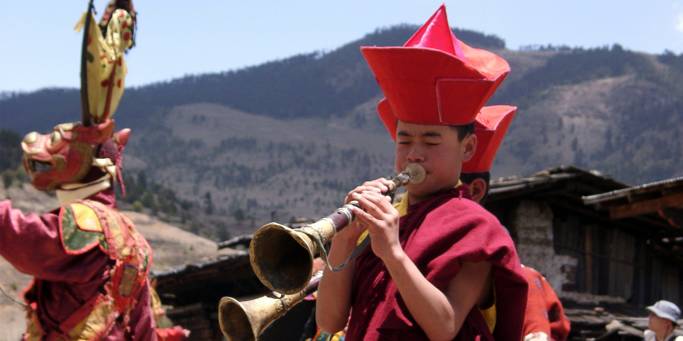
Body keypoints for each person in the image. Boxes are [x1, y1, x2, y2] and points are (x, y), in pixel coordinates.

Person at [315, 5, 528, 340]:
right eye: (404, 140)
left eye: (431, 141)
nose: (414, 153)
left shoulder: (476, 228)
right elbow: (329, 321)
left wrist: (393, 254)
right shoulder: (383, 222)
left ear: (467, 148)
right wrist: (344, 239)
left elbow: (444, 326)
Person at [0, 1, 186, 339]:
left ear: (89, 161)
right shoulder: (133, 236)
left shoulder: (84, 222)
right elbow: (144, 326)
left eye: (60, 143)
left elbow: (22, 240)